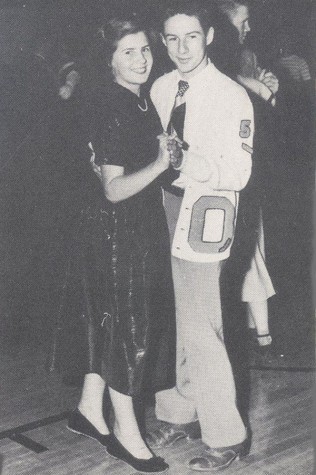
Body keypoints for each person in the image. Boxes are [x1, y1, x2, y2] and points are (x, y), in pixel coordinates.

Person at [48, 15, 176, 473]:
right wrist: (162, 163)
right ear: (110, 61)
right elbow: (114, 188)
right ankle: (126, 433)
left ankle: (87, 410)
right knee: (130, 330)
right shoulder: (113, 106)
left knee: (107, 322)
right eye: (129, 52)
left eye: (144, 49)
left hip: (125, 228)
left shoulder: (137, 101)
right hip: (119, 231)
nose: (141, 59)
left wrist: (163, 156)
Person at [147, 1, 254, 471]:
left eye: (191, 36)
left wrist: (185, 162)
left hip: (206, 209)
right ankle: (180, 410)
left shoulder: (231, 95)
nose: (181, 48)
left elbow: (239, 172)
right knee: (179, 317)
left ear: (209, 36)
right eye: (172, 38)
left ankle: (226, 435)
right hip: (163, 207)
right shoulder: (162, 86)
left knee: (201, 324)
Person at [213, 0, 277, 357]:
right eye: (244, 20)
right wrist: (255, 87)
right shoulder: (217, 61)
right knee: (243, 249)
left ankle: (257, 329)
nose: (248, 27)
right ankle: (254, 331)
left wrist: (265, 90)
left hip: (246, 169)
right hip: (221, 175)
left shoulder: (243, 55)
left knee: (250, 246)